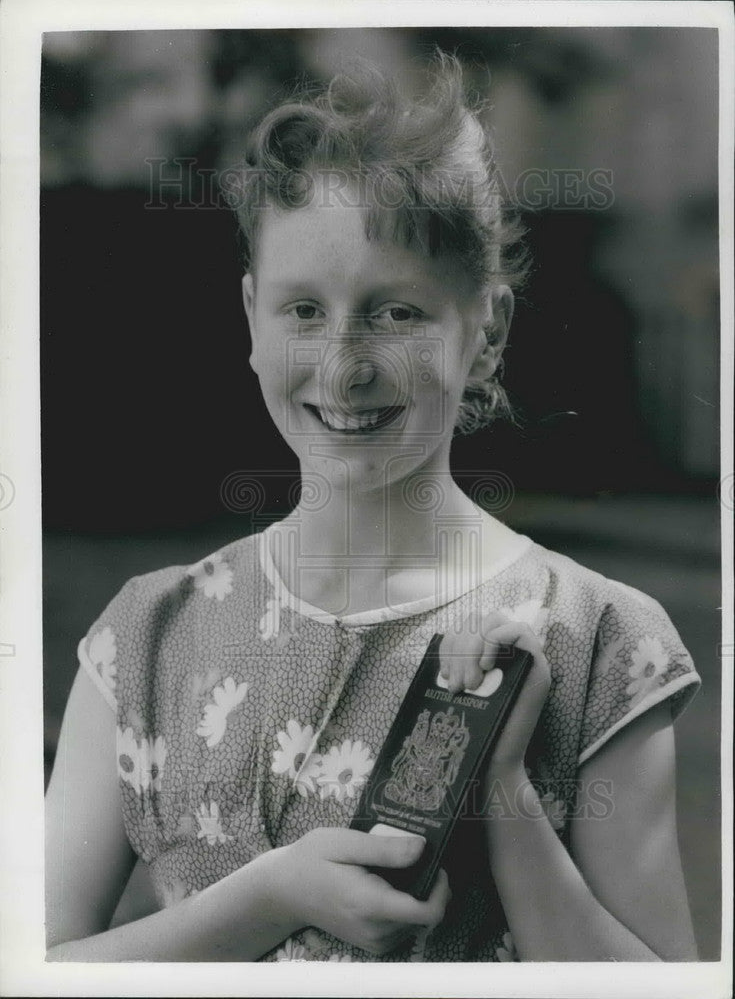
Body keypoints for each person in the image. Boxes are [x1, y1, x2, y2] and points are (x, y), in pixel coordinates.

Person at [45, 53, 700, 962]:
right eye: (303, 311)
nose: (344, 364)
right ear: (249, 318)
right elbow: (33, 970)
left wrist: (500, 791)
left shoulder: (601, 644)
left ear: (487, 334)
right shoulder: (145, 639)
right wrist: (264, 901)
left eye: (396, 315)